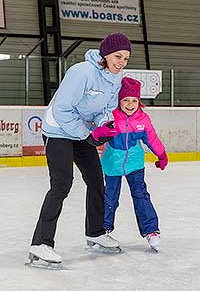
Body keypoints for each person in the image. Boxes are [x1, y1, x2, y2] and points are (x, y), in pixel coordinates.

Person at [28, 32, 132, 263]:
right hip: (58, 130)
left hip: (81, 131)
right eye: (118, 56)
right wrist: (89, 134)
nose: (121, 62)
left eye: (126, 58)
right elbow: (62, 109)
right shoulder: (82, 72)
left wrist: (105, 125)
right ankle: (41, 243)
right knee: (62, 184)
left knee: (96, 180)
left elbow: (104, 109)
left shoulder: (116, 77)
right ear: (105, 53)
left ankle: (94, 233)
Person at [101, 77, 168, 252]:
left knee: (140, 195)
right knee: (110, 197)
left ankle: (151, 230)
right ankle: (103, 229)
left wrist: (161, 154)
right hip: (113, 161)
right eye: (125, 100)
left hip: (135, 162)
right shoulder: (112, 115)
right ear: (119, 101)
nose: (130, 104)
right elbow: (98, 132)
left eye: (134, 101)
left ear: (139, 102)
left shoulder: (143, 119)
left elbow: (151, 138)